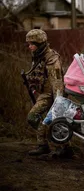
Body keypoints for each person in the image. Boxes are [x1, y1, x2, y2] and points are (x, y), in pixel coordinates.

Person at [25, 29, 72, 157]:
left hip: (52, 95)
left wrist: (58, 103)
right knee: (39, 119)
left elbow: (57, 83)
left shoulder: (52, 60)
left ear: (40, 44)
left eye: (32, 44)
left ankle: (63, 148)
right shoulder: (38, 55)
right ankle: (44, 145)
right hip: (43, 93)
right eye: (28, 44)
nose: (29, 47)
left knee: (41, 118)